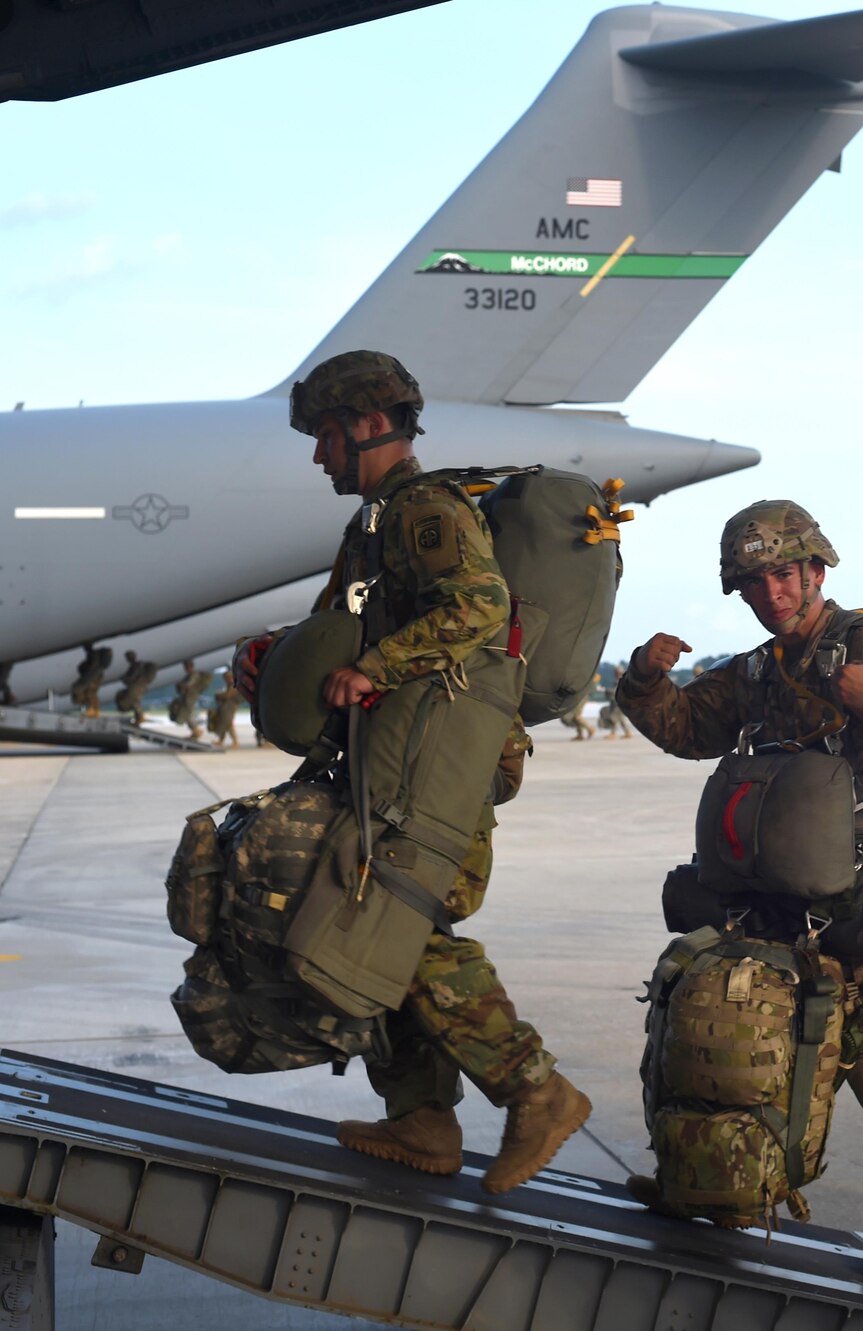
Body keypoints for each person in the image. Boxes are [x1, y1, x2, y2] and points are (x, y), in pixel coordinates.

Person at [234, 349, 588, 1195]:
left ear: (364, 425)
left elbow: (480, 604)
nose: (319, 456)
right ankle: (422, 1117)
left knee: (396, 922)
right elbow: (341, 626)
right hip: (395, 764)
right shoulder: (374, 522)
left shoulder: (423, 510)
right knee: (370, 921)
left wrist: (379, 666)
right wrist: (274, 657)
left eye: (323, 436)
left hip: (437, 770)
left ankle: (537, 1090)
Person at [616, 500, 863, 1285]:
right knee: (726, 1033)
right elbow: (687, 727)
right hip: (775, 896)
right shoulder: (757, 670)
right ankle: (712, 1184)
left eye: (783, 573)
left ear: (816, 570)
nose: (772, 592)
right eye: (754, 582)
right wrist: (645, 683)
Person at [167, 659, 213, 739]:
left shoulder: (194, 675)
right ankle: (195, 731)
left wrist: (181, 685)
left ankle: (197, 730)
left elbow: (188, 685)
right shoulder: (189, 675)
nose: (185, 669)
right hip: (186, 697)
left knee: (186, 714)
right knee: (187, 714)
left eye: (186, 667)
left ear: (190, 666)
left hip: (190, 698)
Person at [113, 650, 157, 725]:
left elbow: (131, 677)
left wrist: (124, 678)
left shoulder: (136, 666)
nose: (128, 659)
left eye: (128, 657)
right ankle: (139, 718)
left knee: (129, 702)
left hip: (136, 687)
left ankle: (140, 717)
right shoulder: (135, 666)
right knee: (131, 701)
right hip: (137, 687)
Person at [71, 643, 112, 718]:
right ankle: (94, 711)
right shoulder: (92, 654)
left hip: (92, 675)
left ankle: (92, 710)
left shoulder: (93, 654)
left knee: (88, 691)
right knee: (91, 692)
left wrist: (87, 674)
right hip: (96, 675)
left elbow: (93, 665)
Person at [206, 676, 241, 748]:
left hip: (230, 708)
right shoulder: (228, 685)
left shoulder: (233, 686)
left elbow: (228, 695)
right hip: (225, 708)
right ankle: (221, 740)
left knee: (229, 724)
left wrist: (220, 695)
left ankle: (235, 742)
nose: (227, 679)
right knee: (223, 723)